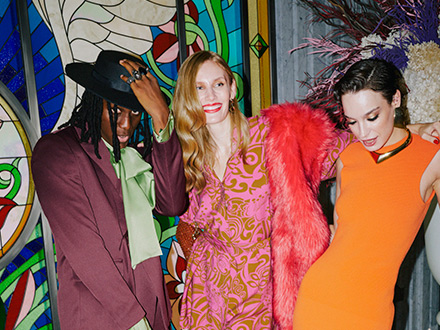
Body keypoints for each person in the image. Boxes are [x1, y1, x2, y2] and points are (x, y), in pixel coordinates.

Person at [172, 50, 359, 329]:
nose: (210, 96)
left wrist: (407, 131)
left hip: (259, 294)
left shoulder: (271, 135)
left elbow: (349, 147)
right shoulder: (189, 154)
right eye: (199, 88)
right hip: (207, 295)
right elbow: (185, 222)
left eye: (218, 85)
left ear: (233, 88)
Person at [31, 50, 187, 330]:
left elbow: (173, 204)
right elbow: (87, 253)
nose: (126, 125)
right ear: (94, 100)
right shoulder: (57, 152)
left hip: (152, 308)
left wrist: (162, 119)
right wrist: (134, 322)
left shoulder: (138, 156)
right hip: (100, 316)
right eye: (115, 110)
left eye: (136, 111)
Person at [292, 58, 440, 329]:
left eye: (372, 117)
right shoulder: (348, 157)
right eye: (352, 121)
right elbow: (340, 233)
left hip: (370, 311)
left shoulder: (432, 157)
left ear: (395, 99)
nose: (363, 132)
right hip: (318, 299)